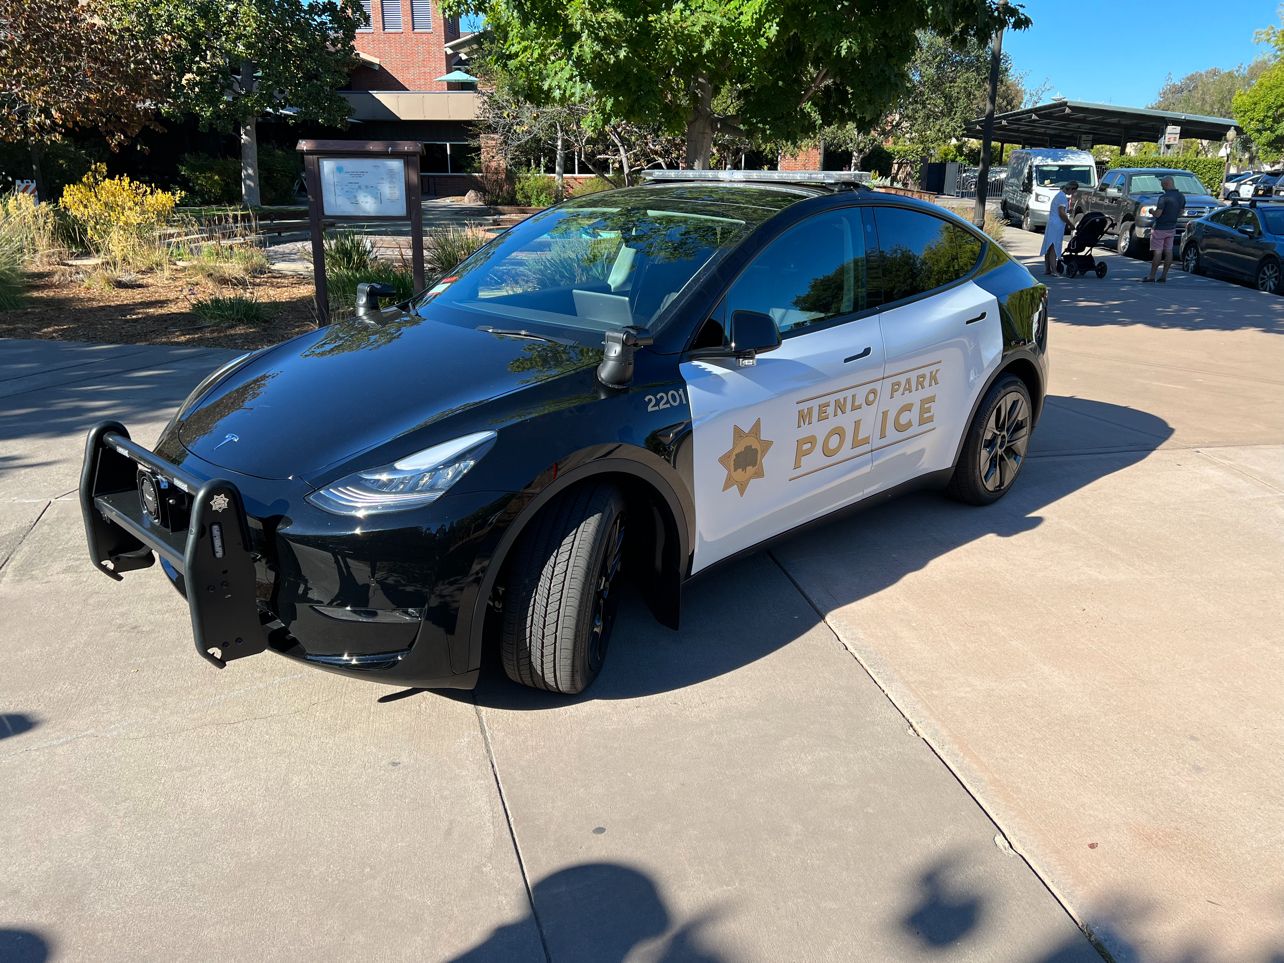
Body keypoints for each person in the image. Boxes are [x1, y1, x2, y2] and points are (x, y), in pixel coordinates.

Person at [1144, 175, 1185, 283]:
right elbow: (1181, 212)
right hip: (1171, 227)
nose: (1162, 188)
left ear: (1167, 184)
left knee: (1157, 252)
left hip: (1159, 228)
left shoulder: (1163, 197)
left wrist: (1151, 211)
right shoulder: (1181, 197)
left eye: (1162, 185)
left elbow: (1158, 214)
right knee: (1168, 251)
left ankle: (1151, 276)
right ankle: (1164, 276)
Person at [1041, 181, 1078, 276]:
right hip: (1057, 225)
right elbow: (1061, 213)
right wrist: (1069, 223)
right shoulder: (1062, 198)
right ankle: (1054, 270)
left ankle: (1047, 269)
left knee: (1048, 246)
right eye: (1073, 191)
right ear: (1071, 189)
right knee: (1053, 246)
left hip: (1051, 223)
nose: (1073, 194)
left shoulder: (1058, 195)